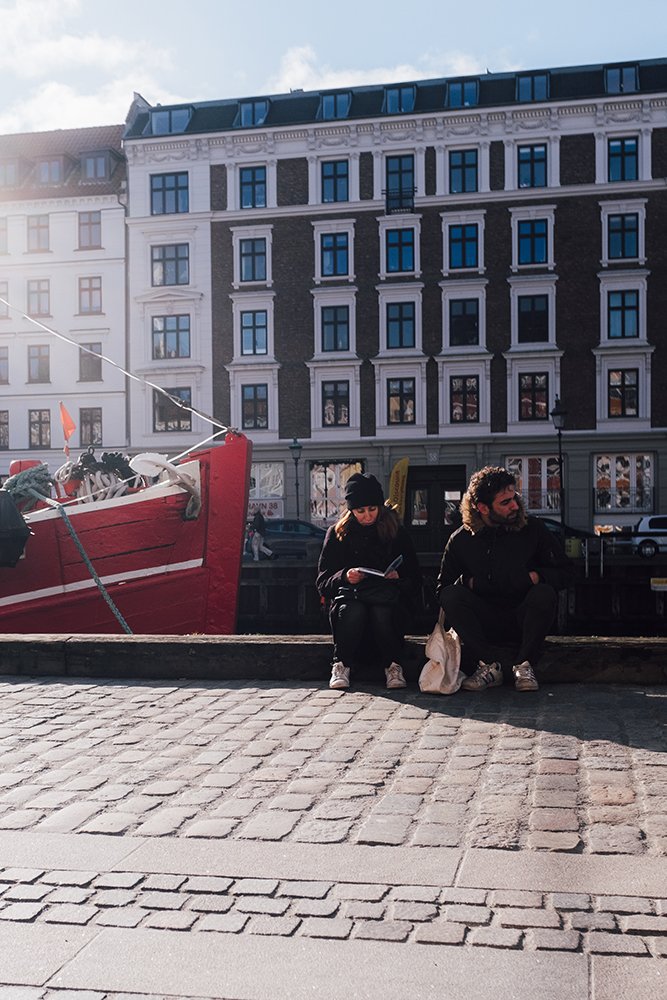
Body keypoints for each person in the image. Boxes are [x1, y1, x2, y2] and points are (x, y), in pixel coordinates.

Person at [436, 466, 572, 693]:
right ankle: (490, 666)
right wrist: (468, 584)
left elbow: (568, 572)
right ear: (483, 508)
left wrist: (537, 576)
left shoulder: (533, 529)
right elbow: (442, 589)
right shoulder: (460, 540)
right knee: (451, 595)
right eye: (505, 502)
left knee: (544, 593)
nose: (515, 506)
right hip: (484, 620)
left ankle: (524, 666)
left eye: (514, 498)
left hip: (523, 616)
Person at [317, 472, 422, 691]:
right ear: (351, 510)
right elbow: (322, 580)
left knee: (381, 611)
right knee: (353, 610)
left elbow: (415, 576)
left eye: (372, 509)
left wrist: (398, 576)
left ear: (380, 507)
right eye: (360, 511)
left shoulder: (395, 531)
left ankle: (393, 666)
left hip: (387, 597)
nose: (367, 516)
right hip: (351, 597)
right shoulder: (338, 533)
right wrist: (345, 575)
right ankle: (341, 664)